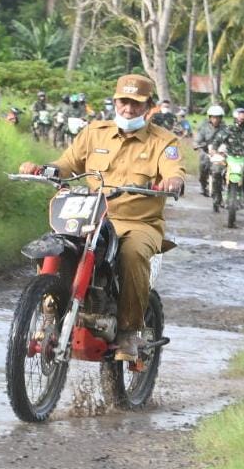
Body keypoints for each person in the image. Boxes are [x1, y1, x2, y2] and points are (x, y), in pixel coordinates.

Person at [18, 74, 185, 361]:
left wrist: (173, 181)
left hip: (137, 223)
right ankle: (49, 309)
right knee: (57, 245)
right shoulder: (94, 132)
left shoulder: (163, 141)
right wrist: (44, 169)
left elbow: (174, 170)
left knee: (132, 255)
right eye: (123, 102)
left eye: (136, 103)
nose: (128, 109)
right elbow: (68, 163)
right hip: (92, 214)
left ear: (149, 106)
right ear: (115, 102)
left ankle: (129, 332)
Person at [211, 107, 244, 208]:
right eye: (240, 119)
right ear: (235, 118)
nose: (242, 122)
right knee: (217, 170)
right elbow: (216, 141)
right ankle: (217, 196)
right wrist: (214, 150)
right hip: (228, 158)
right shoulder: (227, 130)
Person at [193, 105, 229, 196]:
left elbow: (229, 140)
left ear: (221, 118)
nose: (215, 120)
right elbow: (198, 139)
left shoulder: (225, 128)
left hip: (220, 153)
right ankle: (203, 184)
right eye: (213, 117)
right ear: (209, 118)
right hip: (206, 151)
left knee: (228, 166)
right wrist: (197, 145)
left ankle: (226, 184)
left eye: (218, 117)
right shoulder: (204, 128)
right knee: (203, 164)